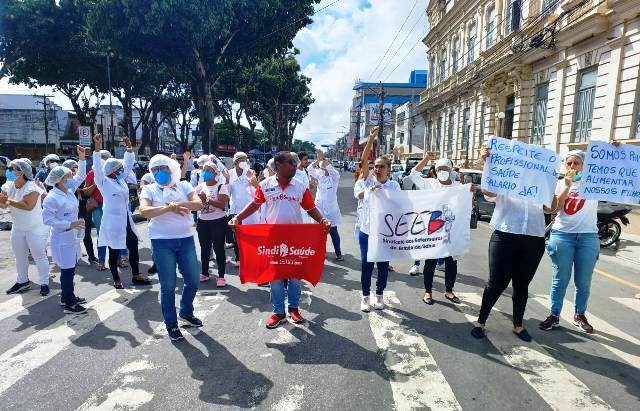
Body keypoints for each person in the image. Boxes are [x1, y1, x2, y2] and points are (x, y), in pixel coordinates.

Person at [228, 151, 331, 329]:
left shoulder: (299, 186)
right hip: (272, 239)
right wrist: (237, 218)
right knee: (275, 277)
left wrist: (322, 220)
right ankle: (278, 312)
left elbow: (310, 207)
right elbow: (255, 204)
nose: (294, 165)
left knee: (295, 276)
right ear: (278, 166)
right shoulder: (265, 185)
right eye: (291, 162)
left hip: (295, 239)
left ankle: (293, 309)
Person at [470, 146, 548, 342]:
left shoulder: (543, 183)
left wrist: (562, 185)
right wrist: (488, 163)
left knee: (522, 285)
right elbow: (488, 191)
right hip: (504, 236)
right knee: (496, 282)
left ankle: (518, 325)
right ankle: (481, 322)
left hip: (533, 238)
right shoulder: (507, 178)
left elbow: (551, 208)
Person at [139, 154, 203, 341]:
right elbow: (144, 210)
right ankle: (171, 324)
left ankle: (186, 311)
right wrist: (168, 208)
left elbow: (198, 204)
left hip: (185, 239)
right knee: (167, 285)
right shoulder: (150, 189)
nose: (159, 172)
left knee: (192, 280)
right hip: (162, 241)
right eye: (154, 169)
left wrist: (180, 204)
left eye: (162, 168)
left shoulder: (184, 185)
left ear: (171, 168)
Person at [539, 149, 600, 334]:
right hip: (562, 236)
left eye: (577, 163)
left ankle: (579, 315)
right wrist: (567, 185)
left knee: (584, 281)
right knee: (560, 278)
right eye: (569, 163)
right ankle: (554, 315)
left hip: (588, 237)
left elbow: (613, 171)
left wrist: (616, 149)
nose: (572, 167)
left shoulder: (594, 183)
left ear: (584, 166)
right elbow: (550, 209)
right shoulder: (558, 184)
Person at [410, 154, 469, 306]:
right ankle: (428, 291)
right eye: (439, 169)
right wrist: (426, 158)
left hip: (451, 231)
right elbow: (414, 175)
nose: (442, 171)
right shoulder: (430, 184)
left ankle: (449, 290)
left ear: (451, 170)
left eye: (445, 168)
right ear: (435, 171)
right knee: (430, 262)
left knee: (451, 263)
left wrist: (471, 191)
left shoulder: (458, 187)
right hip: (434, 230)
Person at [91, 134, 149, 289]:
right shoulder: (103, 181)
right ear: (113, 171)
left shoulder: (120, 180)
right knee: (114, 250)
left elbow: (129, 163)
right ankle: (116, 279)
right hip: (113, 222)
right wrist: (97, 147)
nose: (123, 170)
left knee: (133, 246)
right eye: (120, 169)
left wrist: (129, 148)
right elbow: (97, 166)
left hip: (126, 220)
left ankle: (136, 275)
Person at [355, 127, 400, 312]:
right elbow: (363, 160)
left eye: (382, 166)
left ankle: (379, 295)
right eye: (376, 166)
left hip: (385, 232)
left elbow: (400, 206)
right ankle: (366, 296)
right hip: (367, 230)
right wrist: (371, 138)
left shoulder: (394, 185)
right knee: (366, 264)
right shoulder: (368, 181)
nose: (377, 169)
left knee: (383, 264)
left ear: (389, 169)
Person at [42, 163, 89, 314]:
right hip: (62, 238)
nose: (70, 178)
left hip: (72, 236)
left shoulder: (69, 191)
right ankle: (70, 304)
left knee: (71, 268)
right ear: (58, 180)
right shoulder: (52, 198)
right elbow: (48, 220)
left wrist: (82, 159)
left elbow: (81, 176)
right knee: (67, 271)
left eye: (70, 175)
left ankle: (66, 296)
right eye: (67, 176)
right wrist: (70, 223)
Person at [1, 159, 51, 296]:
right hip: (17, 227)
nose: (8, 171)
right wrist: (2, 200)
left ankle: (44, 283)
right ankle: (22, 281)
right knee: (19, 256)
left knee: (39, 255)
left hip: (35, 227)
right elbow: (3, 205)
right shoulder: (8, 185)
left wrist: (8, 201)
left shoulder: (32, 187)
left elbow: (28, 206)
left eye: (11, 168)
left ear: (21, 172)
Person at [195, 161, 230, 285]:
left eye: (208, 170)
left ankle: (221, 276)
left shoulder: (221, 186)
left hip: (218, 221)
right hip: (203, 222)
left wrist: (207, 200)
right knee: (204, 248)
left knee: (218, 248)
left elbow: (222, 204)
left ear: (215, 172)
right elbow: (195, 204)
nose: (205, 173)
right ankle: (204, 273)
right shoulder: (200, 187)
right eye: (204, 170)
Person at [308, 150, 343, 261]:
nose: (322, 170)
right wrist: (318, 160)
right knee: (319, 233)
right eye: (321, 168)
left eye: (324, 168)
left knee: (334, 233)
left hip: (331, 210)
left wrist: (324, 161)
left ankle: (338, 253)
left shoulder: (334, 179)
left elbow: (334, 172)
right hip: (319, 209)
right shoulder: (319, 177)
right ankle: (321, 252)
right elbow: (309, 169)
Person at [227, 151, 259, 266]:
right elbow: (227, 192)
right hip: (235, 209)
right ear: (236, 162)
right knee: (237, 236)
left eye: (246, 159)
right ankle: (238, 258)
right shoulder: (229, 174)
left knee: (250, 234)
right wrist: (226, 181)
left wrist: (253, 181)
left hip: (250, 209)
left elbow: (257, 191)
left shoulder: (250, 173)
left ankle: (251, 256)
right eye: (242, 159)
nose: (244, 162)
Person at [63, 158, 97, 264]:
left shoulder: (80, 180)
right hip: (69, 214)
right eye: (72, 169)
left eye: (76, 168)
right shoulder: (62, 183)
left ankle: (91, 256)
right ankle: (74, 257)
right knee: (72, 236)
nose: (75, 171)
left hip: (83, 210)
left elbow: (84, 194)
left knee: (86, 234)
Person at [85, 149, 113, 271]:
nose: (104, 159)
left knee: (113, 233)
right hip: (98, 207)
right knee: (102, 234)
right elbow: (85, 191)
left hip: (112, 206)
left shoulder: (113, 172)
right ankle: (101, 261)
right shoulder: (92, 173)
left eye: (106, 157)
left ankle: (118, 259)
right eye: (102, 157)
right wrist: (97, 182)